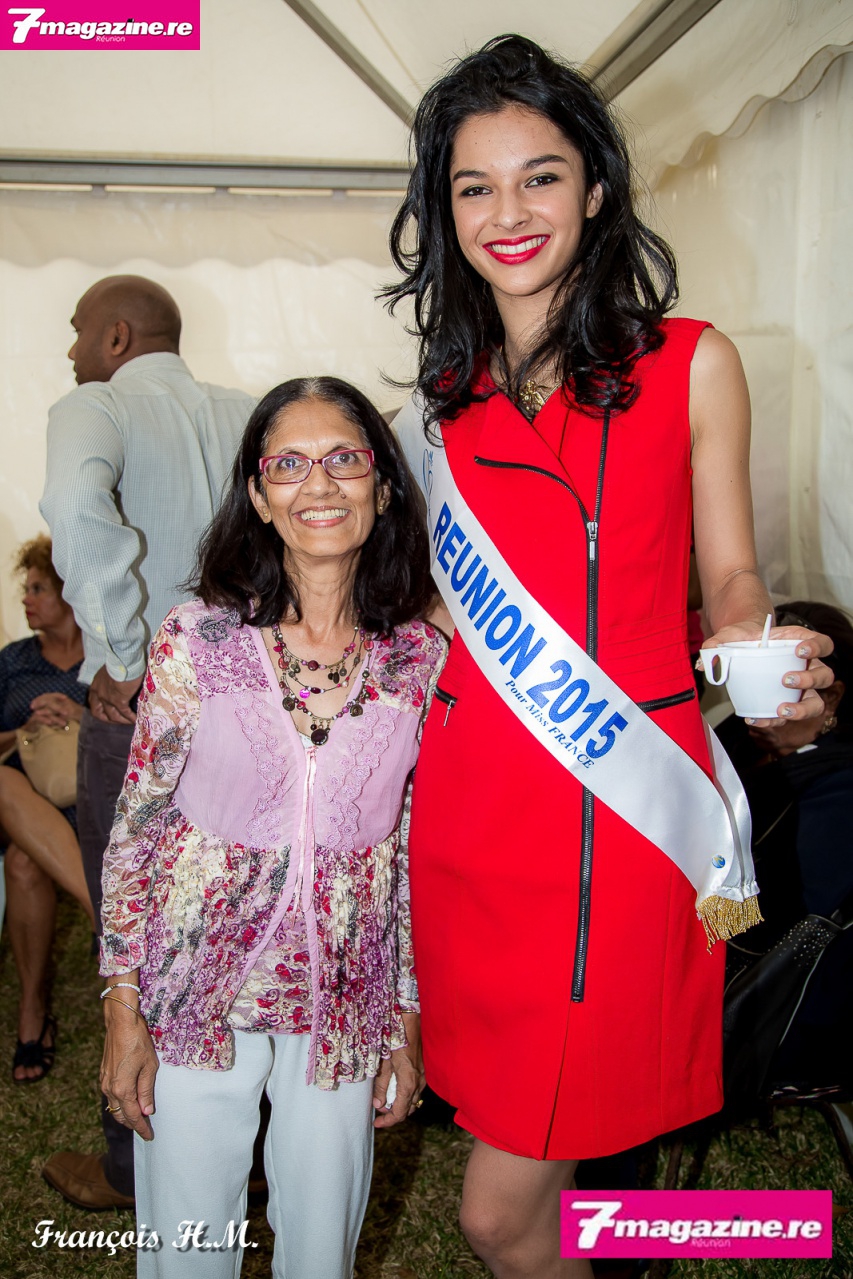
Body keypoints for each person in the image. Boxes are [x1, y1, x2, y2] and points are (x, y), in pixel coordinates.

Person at [386, 35, 834, 1277]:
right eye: (473, 187)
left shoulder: (691, 362)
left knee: (497, 1210)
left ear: (594, 187)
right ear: (442, 212)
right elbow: (436, 604)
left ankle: (712, 1234)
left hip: (620, 806)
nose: (507, 212)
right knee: (564, 1153)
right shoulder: (440, 400)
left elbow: (730, 573)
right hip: (470, 810)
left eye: (539, 176)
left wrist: (752, 643)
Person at [97, 376, 444, 1278]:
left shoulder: (419, 658)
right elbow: (137, 827)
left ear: (382, 486)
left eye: (344, 459)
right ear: (257, 494)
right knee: (188, 1248)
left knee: (322, 1249)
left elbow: (402, 851)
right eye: (287, 464)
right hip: (194, 997)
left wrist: (402, 1012)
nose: (317, 484)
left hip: (341, 1003)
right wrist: (122, 1005)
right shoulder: (196, 638)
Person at [40, 275, 255, 1208]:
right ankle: (245, 1158)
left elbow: (77, 512)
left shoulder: (94, 406)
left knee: (132, 943)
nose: (70, 350)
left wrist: (125, 656)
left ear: (118, 336)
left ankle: (137, 1169)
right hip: (249, 712)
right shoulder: (249, 412)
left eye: (78, 331)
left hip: (141, 718)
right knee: (238, 933)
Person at [721, 600, 853, 1093]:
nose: (755, 711)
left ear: (830, 696)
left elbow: (787, 924)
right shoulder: (738, 736)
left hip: (774, 1011)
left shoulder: (840, 789)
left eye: (778, 684)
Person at [0, 535, 93, 1081]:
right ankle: (100, 911)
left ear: (69, 592)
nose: (26, 599)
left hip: (92, 802)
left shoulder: (109, 657)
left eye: (39, 588)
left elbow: (147, 736)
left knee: (23, 861)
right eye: (27, 588)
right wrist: (23, 729)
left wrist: (81, 716)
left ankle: (33, 1016)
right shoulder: (13, 661)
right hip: (23, 799)